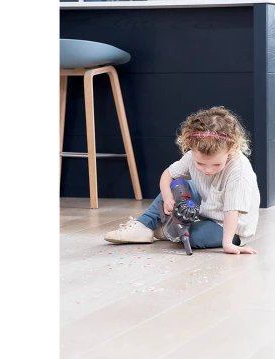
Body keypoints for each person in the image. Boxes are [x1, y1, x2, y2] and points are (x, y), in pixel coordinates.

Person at [104, 106, 260, 255]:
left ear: (231, 149)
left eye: (216, 165)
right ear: (190, 148)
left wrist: (228, 244)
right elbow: (168, 175)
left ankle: (165, 230)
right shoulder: (192, 156)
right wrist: (167, 197)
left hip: (230, 226)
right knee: (175, 186)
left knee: (193, 237)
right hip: (208, 206)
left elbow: (232, 211)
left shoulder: (238, 172)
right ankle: (144, 225)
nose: (208, 170)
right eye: (200, 164)